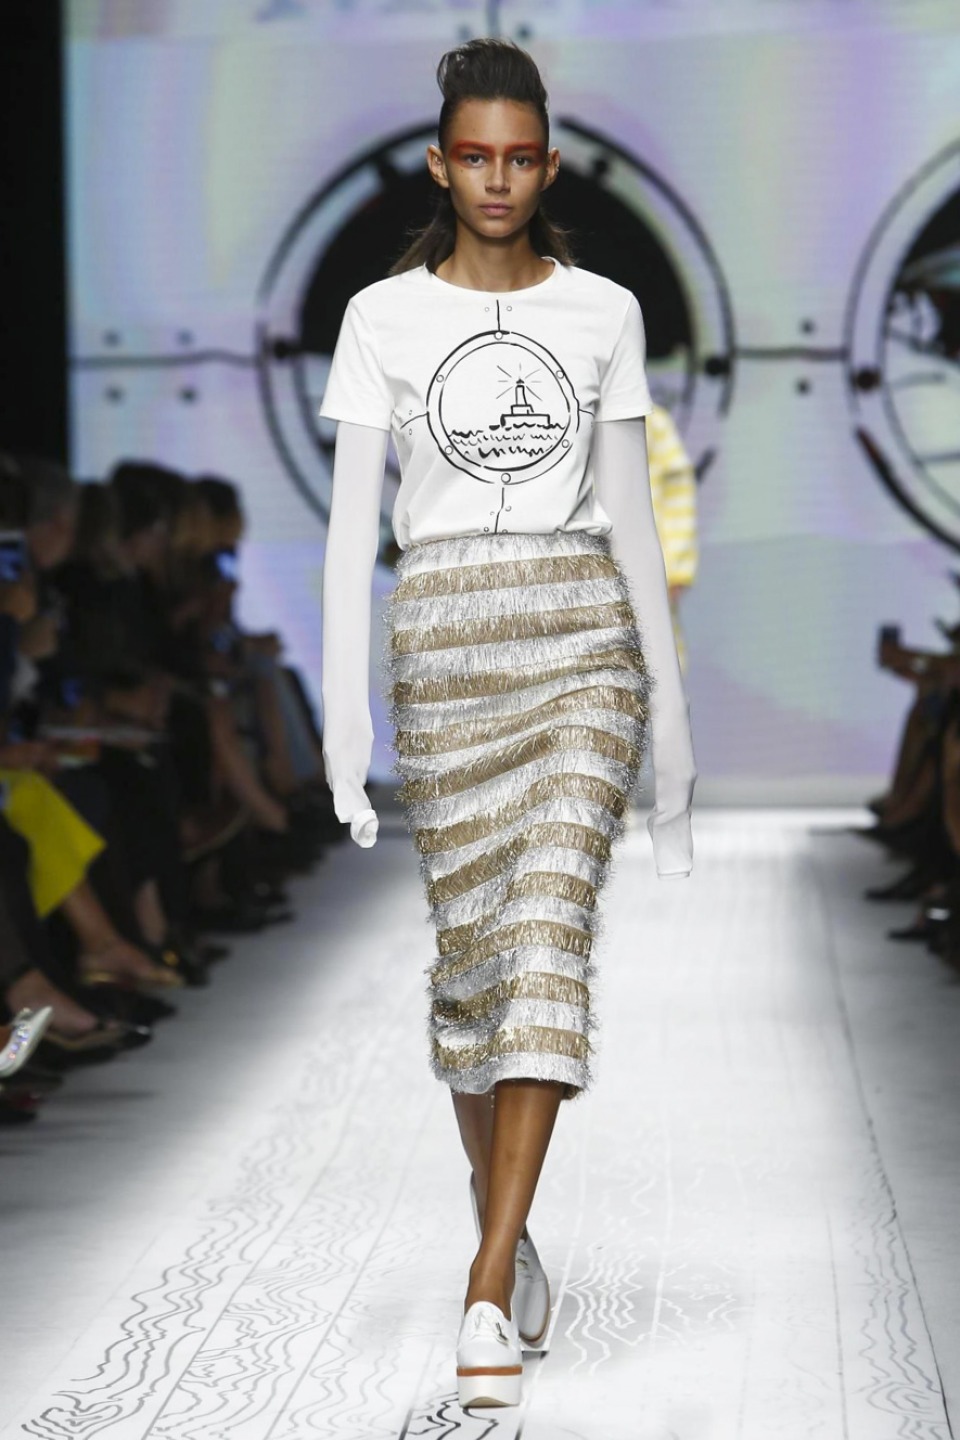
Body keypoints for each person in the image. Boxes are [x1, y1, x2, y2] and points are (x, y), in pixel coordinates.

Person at [318, 38, 696, 1409]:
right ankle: (510, 1226)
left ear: (548, 166)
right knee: (477, 972)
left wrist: (672, 725)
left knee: (545, 944)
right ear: (440, 163)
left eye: (519, 157)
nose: (496, 178)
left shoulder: (604, 312)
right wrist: (340, 722)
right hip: (444, 646)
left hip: (581, 643)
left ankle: (484, 1288)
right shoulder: (380, 317)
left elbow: (634, 522)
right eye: (474, 156)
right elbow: (351, 534)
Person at [646, 402, 698, 671]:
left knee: (655, 664)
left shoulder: (651, 420)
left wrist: (676, 568)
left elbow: (678, 490)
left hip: (645, 575)